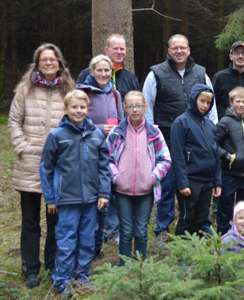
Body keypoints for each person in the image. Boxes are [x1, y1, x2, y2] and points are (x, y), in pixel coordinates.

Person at [8, 43, 75, 288]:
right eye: (43, 59)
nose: (48, 62)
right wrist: (22, 147)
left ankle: (54, 264)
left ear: (59, 63)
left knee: (55, 218)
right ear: (37, 64)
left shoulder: (68, 90)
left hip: (59, 164)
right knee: (30, 220)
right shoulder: (25, 90)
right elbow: (14, 121)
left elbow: (77, 119)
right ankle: (31, 269)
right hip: (30, 161)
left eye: (52, 59)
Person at [143, 34, 218, 245]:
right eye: (175, 48)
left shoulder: (201, 73)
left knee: (197, 184)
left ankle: (198, 225)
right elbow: (148, 105)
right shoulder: (155, 73)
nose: (179, 51)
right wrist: (152, 138)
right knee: (167, 185)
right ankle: (162, 229)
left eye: (183, 48)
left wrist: (213, 132)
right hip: (166, 139)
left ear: (189, 50)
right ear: (169, 51)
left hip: (196, 141)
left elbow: (211, 106)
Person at [39, 90, 110, 297]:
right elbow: (46, 168)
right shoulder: (57, 137)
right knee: (66, 240)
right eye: (74, 107)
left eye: (82, 107)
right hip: (67, 199)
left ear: (88, 109)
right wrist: (50, 198)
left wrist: (103, 192)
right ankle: (62, 281)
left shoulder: (96, 135)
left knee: (87, 238)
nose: (78, 111)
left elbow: (104, 167)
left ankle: (83, 277)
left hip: (91, 200)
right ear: (66, 109)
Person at [107, 91, 171, 265]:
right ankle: (124, 269)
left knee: (141, 231)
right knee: (126, 231)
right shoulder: (117, 132)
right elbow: (107, 158)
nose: (134, 110)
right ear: (125, 108)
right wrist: (116, 177)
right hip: (122, 190)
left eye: (138, 106)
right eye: (130, 106)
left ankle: (140, 268)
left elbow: (165, 159)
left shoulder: (154, 133)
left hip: (146, 190)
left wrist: (153, 177)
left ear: (145, 107)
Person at [77, 54, 124, 257]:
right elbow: (75, 120)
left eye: (107, 71)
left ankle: (108, 232)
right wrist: (98, 128)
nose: (104, 74)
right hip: (87, 151)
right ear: (92, 72)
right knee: (90, 196)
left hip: (112, 152)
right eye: (100, 70)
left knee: (110, 192)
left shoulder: (115, 94)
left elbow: (122, 122)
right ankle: (89, 238)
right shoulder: (83, 92)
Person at [170, 83, 222, 236]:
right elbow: (177, 155)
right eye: (202, 101)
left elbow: (215, 155)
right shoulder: (181, 122)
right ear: (193, 99)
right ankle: (182, 255)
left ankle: (198, 254)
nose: (205, 105)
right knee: (187, 217)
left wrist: (217, 181)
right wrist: (182, 183)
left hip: (207, 181)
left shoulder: (211, 126)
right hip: (190, 180)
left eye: (208, 102)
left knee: (202, 218)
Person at [216, 86, 244, 235]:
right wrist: (226, 156)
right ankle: (223, 239)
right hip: (229, 174)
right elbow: (213, 145)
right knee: (226, 208)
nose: (241, 105)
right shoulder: (224, 122)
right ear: (231, 102)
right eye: (238, 101)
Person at [76, 33, 140, 101]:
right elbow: (77, 101)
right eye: (115, 48)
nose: (119, 52)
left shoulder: (131, 78)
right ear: (106, 50)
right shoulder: (88, 74)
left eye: (122, 49)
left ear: (126, 51)